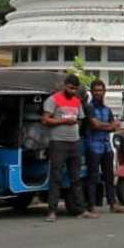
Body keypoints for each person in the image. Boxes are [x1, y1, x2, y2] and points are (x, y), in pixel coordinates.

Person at [42, 73, 95, 221]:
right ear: (65, 85)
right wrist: (63, 121)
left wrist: (74, 123)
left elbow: (80, 120)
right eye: (71, 88)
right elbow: (45, 120)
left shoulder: (77, 101)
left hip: (75, 142)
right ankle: (52, 211)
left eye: (75, 89)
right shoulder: (53, 100)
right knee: (56, 177)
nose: (73, 91)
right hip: (58, 142)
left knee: (76, 178)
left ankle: (81, 210)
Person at [83, 80, 124, 215]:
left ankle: (113, 204)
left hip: (107, 146)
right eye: (95, 90)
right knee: (93, 177)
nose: (98, 93)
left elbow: (113, 125)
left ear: (104, 92)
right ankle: (91, 206)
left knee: (109, 176)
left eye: (100, 90)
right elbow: (96, 125)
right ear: (91, 92)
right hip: (93, 145)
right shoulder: (89, 108)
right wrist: (109, 126)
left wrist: (106, 126)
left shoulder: (107, 109)